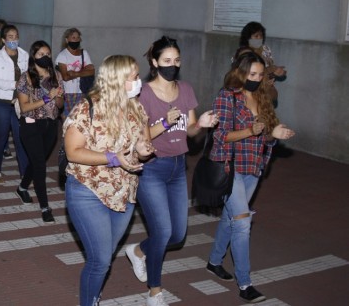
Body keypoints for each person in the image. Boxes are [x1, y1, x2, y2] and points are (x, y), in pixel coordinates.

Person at [125, 36, 219, 306]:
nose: (173, 65)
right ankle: (154, 292)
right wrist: (164, 124)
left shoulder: (186, 89)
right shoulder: (142, 93)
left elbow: (189, 130)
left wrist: (200, 123)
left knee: (177, 235)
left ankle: (139, 251)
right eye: (167, 61)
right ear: (154, 62)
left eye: (177, 61)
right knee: (163, 233)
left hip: (178, 167)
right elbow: (140, 138)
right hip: (152, 169)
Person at [63, 55, 155, 306]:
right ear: (117, 80)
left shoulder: (136, 107)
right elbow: (73, 151)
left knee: (104, 256)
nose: (139, 81)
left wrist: (144, 150)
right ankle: (90, 301)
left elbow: (143, 144)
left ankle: (93, 292)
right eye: (134, 77)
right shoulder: (87, 108)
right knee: (100, 260)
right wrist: (114, 159)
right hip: (87, 190)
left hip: (124, 193)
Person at [206, 52, 295, 304]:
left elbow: (265, 136)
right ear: (240, 73)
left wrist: (275, 132)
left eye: (259, 75)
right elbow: (220, 137)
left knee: (230, 217)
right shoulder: (227, 97)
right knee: (243, 223)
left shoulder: (262, 97)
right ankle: (245, 283)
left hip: (253, 166)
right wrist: (250, 130)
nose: (255, 79)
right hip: (229, 166)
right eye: (251, 74)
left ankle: (214, 262)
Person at [15, 40, 64, 222]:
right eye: (41, 54)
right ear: (33, 57)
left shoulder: (56, 76)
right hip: (30, 125)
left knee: (38, 161)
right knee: (40, 166)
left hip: (50, 125)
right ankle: (45, 207)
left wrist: (57, 98)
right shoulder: (26, 78)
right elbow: (24, 107)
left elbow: (59, 104)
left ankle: (21, 188)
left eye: (48, 54)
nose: (45, 57)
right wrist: (46, 98)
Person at [0, 24, 29, 183]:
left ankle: (24, 174)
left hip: (20, 103)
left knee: (21, 139)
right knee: (1, 137)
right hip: (1, 103)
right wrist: (14, 84)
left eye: (16, 36)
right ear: (3, 40)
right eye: (10, 37)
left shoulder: (24, 55)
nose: (14, 40)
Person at [239, 22, 287, 104]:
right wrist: (270, 70)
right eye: (256, 36)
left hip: (265, 92)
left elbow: (270, 68)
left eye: (261, 35)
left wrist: (277, 73)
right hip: (249, 93)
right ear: (247, 37)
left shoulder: (265, 49)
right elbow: (245, 74)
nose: (259, 38)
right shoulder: (243, 53)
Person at [55, 27, 95, 119]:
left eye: (78, 38)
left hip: (82, 91)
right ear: (67, 39)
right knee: (68, 119)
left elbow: (92, 71)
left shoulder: (84, 53)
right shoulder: (62, 55)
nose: (76, 40)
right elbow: (65, 77)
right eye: (73, 37)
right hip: (68, 93)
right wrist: (84, 71)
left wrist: (75, 74)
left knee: (81, 118)